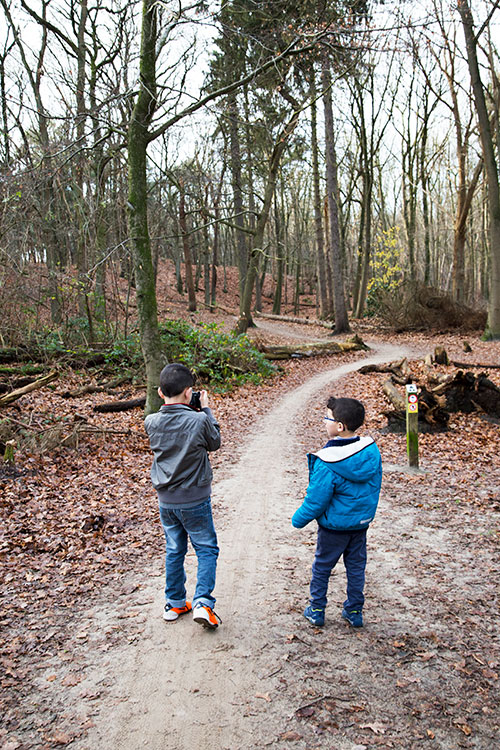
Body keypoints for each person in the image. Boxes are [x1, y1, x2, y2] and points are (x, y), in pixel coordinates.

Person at [292, 396, 382, 628]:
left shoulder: (328, 461)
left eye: (327, 419)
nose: (324, 422)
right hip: (360, 524)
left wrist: (298, 519)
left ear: (339, 426)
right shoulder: (370, 452)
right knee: (356, 568)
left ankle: (317, 609)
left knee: (322, 566)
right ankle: (354, 610)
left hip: (334, 528)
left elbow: (316, 500)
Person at [145, 363, 222, 630]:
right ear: (189, 393)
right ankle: (203, 602)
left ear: (159, 392)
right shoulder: (199, 419)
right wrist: (206, 409)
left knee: (175, 549)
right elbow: (214, 442)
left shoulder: (151, 421)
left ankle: (174, 601)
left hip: (166, 500)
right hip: (195, 498)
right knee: (206, 548)